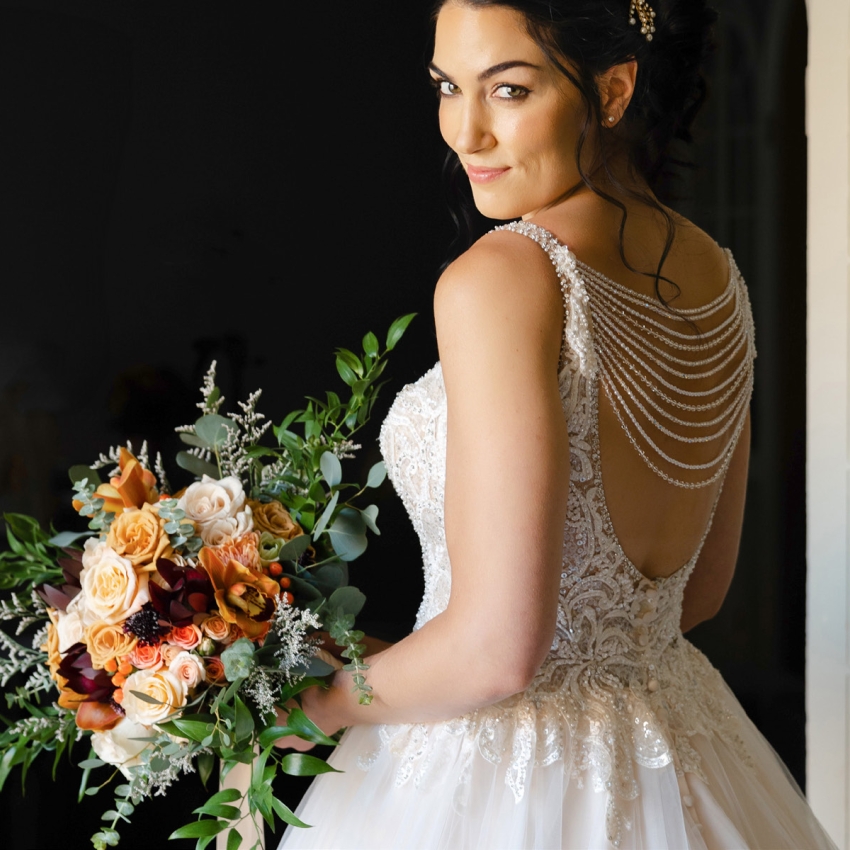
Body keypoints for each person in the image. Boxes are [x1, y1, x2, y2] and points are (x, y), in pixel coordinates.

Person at [276, 1, 838, 847]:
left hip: (491, 776)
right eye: (445, 87)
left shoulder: (503, 277)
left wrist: (313, 705)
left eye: (507, 90)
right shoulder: (717, 277)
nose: (465, 133)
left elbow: (500, 651)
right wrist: (412, 663)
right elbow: (698, 591)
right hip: (679, 750)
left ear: (612, 91)